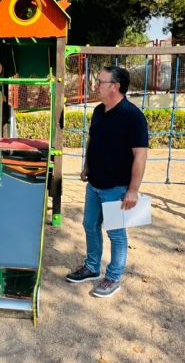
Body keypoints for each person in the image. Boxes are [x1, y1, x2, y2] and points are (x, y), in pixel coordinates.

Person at [66, 65, 148, 298]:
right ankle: (92, 267)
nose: (96, 85)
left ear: (115, 86)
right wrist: (86, 165)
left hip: (117, 187)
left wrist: (133, 190)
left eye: (100, 82)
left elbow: (140, 154)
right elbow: (94, 139)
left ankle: (113, 277)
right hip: (95, 184)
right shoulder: (99, 111)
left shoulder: (133, 116)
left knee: (116, 234)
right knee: (89, 225)